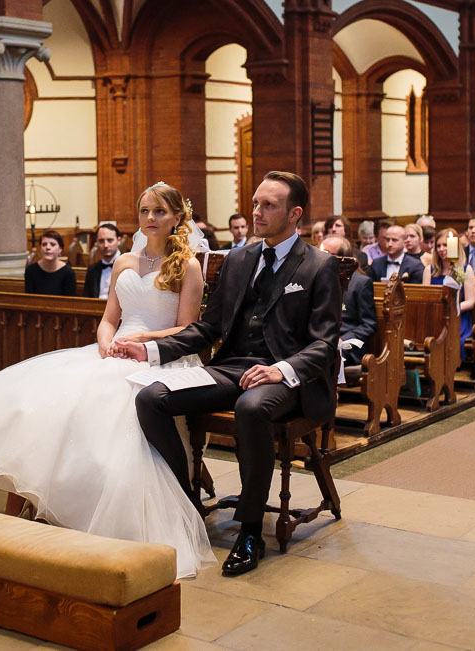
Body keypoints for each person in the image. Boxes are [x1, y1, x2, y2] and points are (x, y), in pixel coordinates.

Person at [0, 182, 215, 578]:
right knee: (32, 405)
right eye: (145, 210)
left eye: (160, 212)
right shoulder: (125, 263)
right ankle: (15, 517)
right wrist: (105, 343)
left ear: (177, 218)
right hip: (113, 352)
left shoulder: (188, 266)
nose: (150, 218)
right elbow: (109, 317)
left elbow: (186, 329)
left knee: (103, 417)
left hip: (158, 358)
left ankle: (71, 512)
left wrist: (143, 341)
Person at [115, 171, 341, 577]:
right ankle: (186, 502)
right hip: (231, 366)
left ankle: (250, 530)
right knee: (151, 398)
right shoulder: (239, 259)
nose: (257, 211)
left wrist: (280, 369)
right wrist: (150, 349)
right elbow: (208, 328)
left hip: (287, 378)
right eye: (256, 203)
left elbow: (324, 344)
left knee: (251, 409)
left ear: (295, 214)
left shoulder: (319, 266)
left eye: (268, 205)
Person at [321, 236, 375, 367]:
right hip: (322, 339)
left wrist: (343, 339)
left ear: (343, 259)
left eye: (327, 254)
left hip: (347, 344)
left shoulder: (361, 283)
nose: (321, 258)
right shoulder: (318, 279)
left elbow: (368, 325)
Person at [423, 228, 475, 358]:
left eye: (446, 245)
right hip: (435, 317)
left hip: (457, 316)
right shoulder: (430, 270)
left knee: (451, 338)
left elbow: (470, 301)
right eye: (438, 246)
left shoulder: (463, 270)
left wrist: (452, 309)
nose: (441, 249)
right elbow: (425, 298)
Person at [25, 230, 76, 296]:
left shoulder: (68, 273)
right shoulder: (31, 271)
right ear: (40, 248)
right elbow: (29, 300)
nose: (48, 247)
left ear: (60, 249)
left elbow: (69, 302)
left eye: (52, 244)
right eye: (44, 244)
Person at [83, 222, 122, 298]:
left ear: (119, 241)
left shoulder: (129, 267)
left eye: (110, 240)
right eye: (101, 241)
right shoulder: (92, 270)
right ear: (96, 242)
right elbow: (86, 300)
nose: (105, 245)